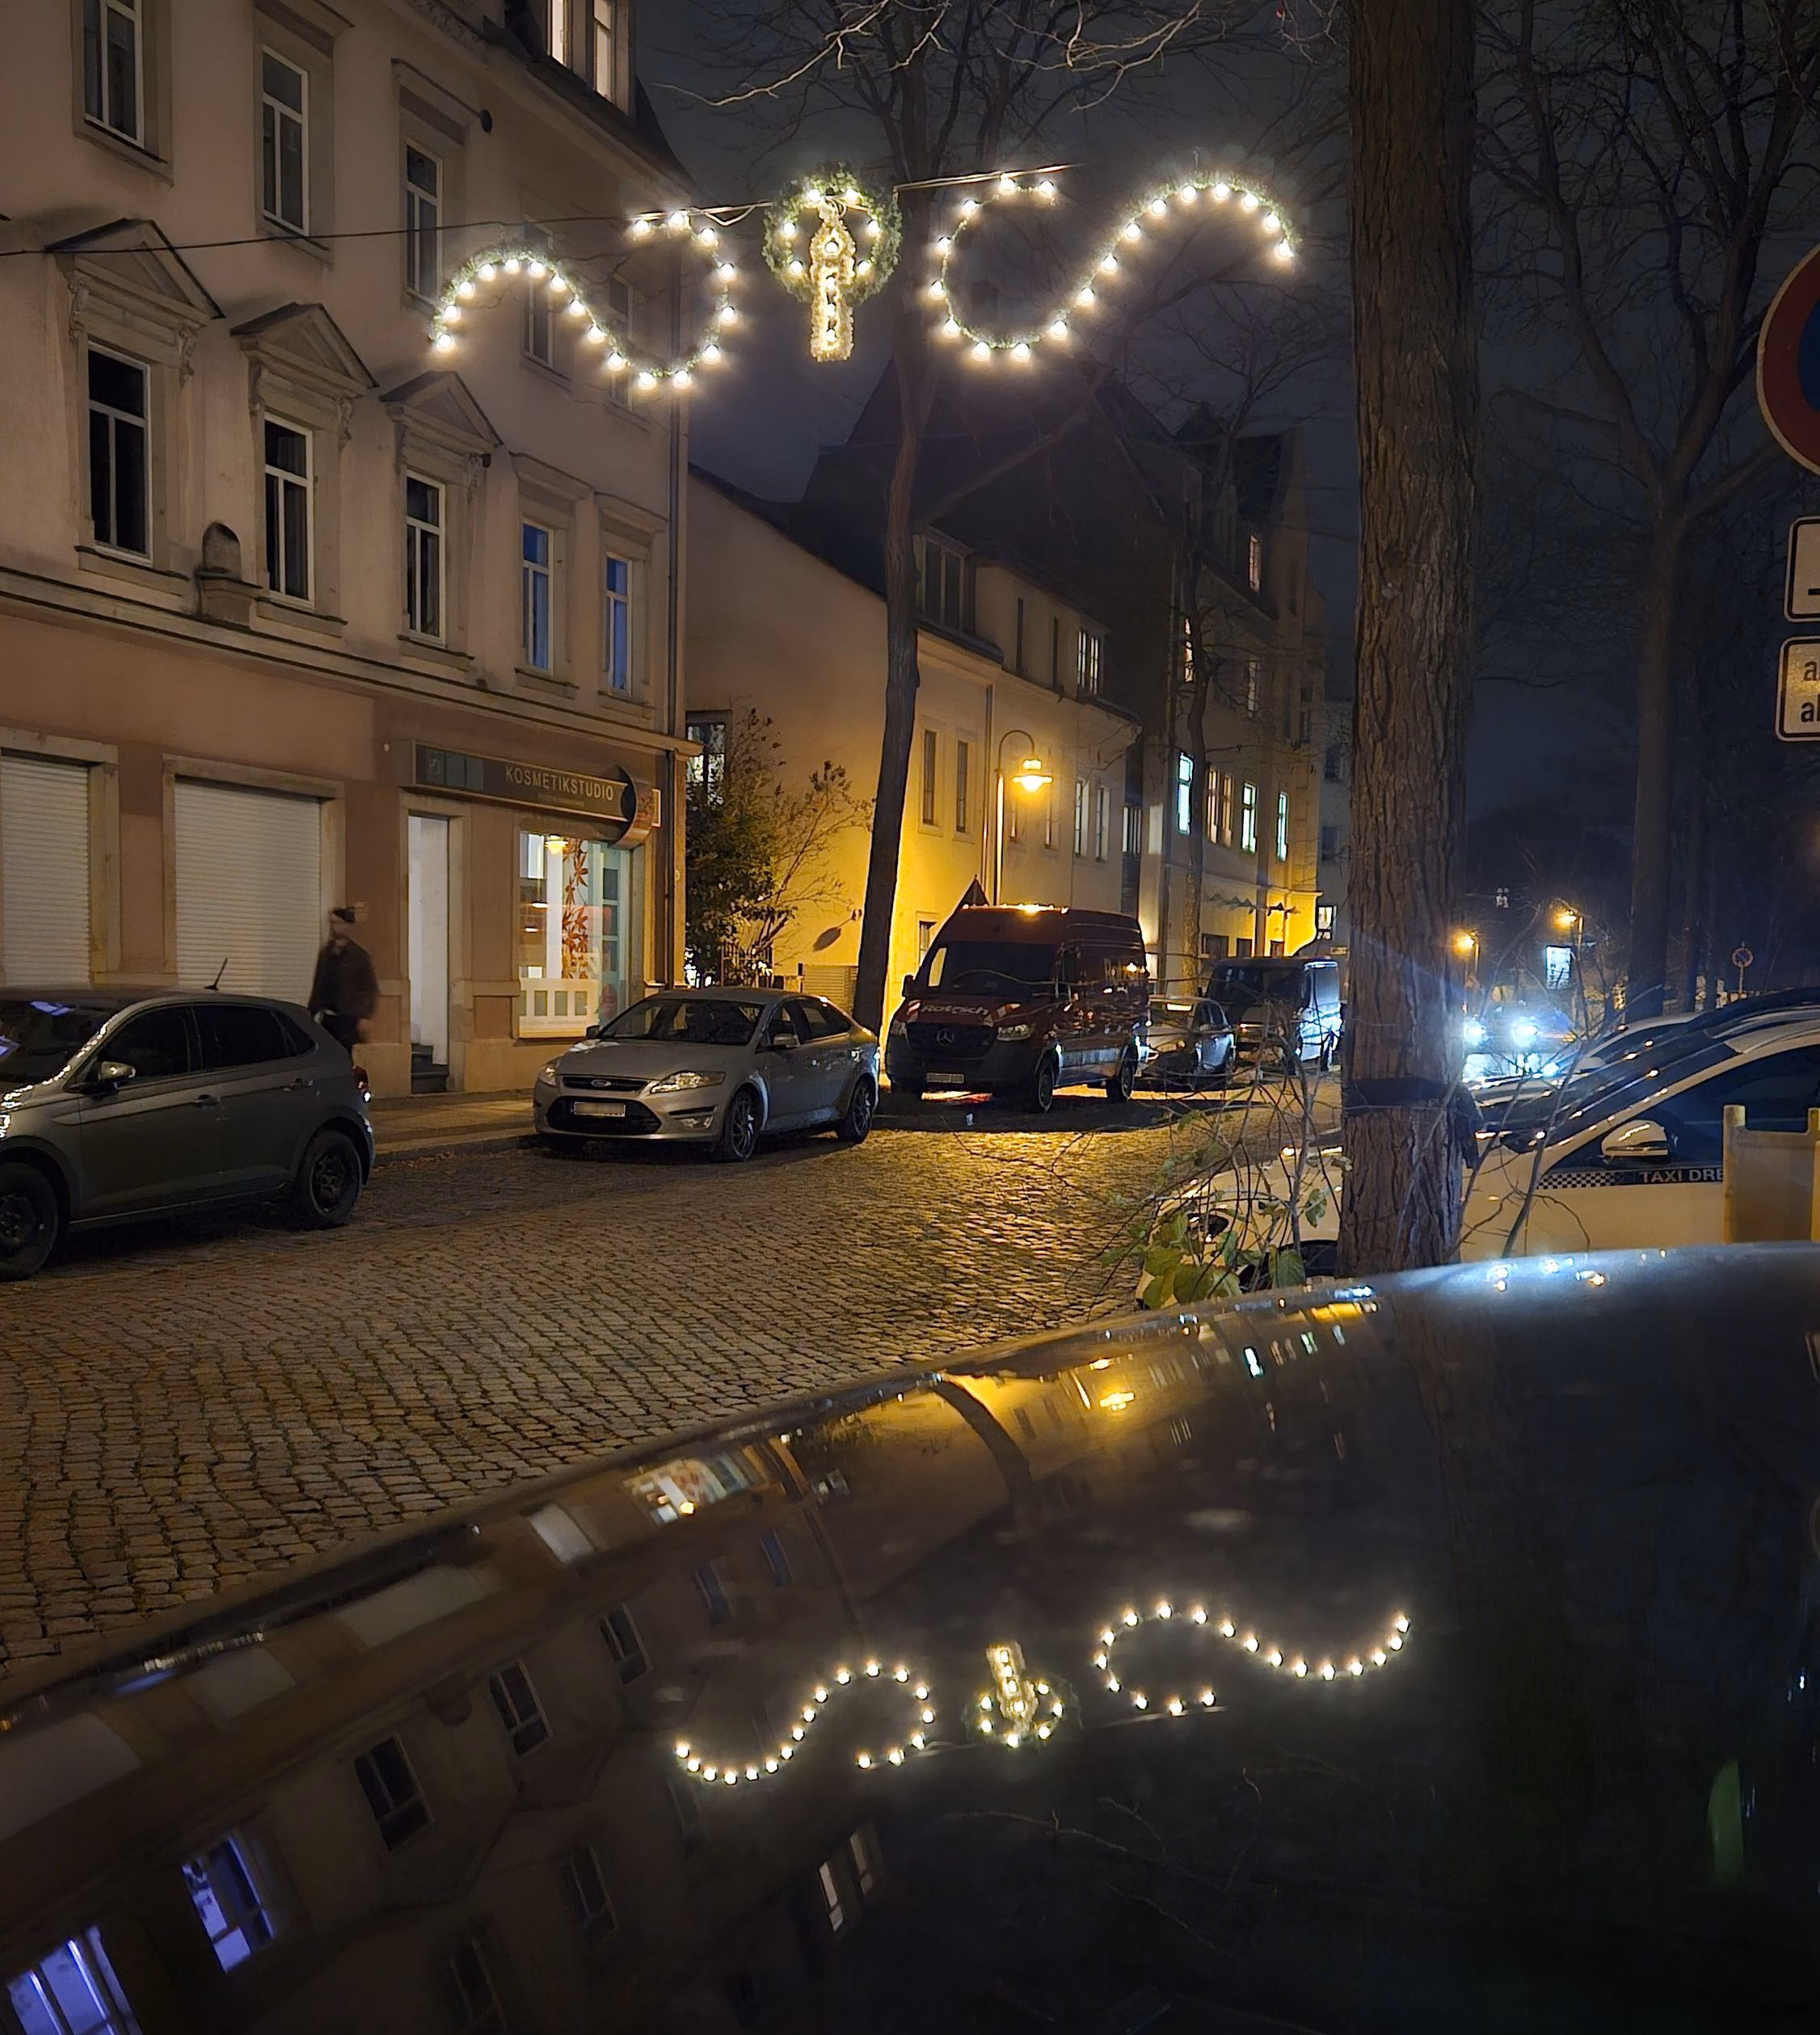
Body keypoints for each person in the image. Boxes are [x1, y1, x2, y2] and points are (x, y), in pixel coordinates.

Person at [309, 908, 377, 1053]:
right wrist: (312, 1011)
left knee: (344, 1053)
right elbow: (319, 984)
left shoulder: (358, 956)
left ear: (347, 925)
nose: (334, 927)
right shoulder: (326, 953)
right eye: (332, 923)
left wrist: (365, 1016)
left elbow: (369, 988)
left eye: (338, 923)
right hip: (327, 1016)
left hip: (348, 1016)